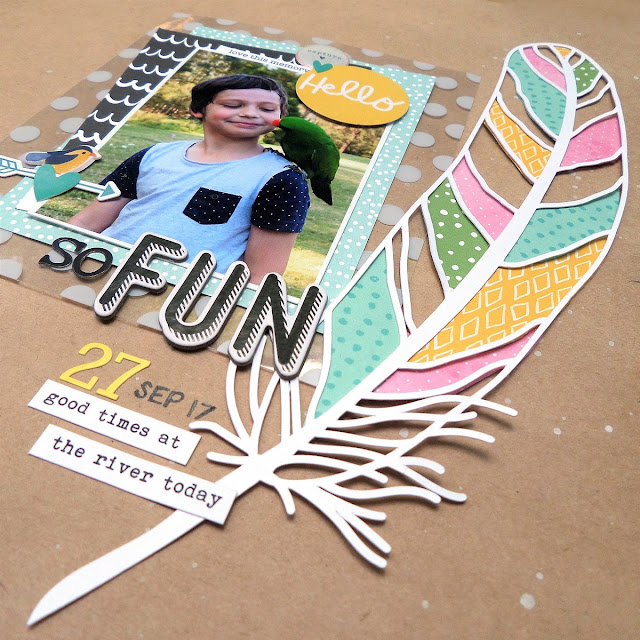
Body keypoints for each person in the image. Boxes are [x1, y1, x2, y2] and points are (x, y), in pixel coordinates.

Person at [67, 74, 310, 283]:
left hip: (180, 293)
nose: (249, 113)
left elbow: (261, 275)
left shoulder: (282, 179)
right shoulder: (154, 154)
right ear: (198, 109)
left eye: (266, 109)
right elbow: (87, 223)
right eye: (233, 105)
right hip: (96, 265)